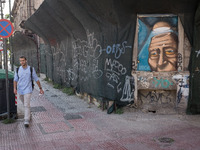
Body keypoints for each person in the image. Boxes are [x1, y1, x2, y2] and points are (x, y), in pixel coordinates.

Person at [13, 56, 44, 127]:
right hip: (20, 90)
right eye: (20, 61)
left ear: (26, 61)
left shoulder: (31, 69)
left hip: (28, 89)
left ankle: (26, 120)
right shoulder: (18, 69)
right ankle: (29, 113)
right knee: (25, 103)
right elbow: (15, 80)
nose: (22, 62)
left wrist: (40, 88)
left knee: (26, 104)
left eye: (23, 60)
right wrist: (15, 88)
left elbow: (36, 79)